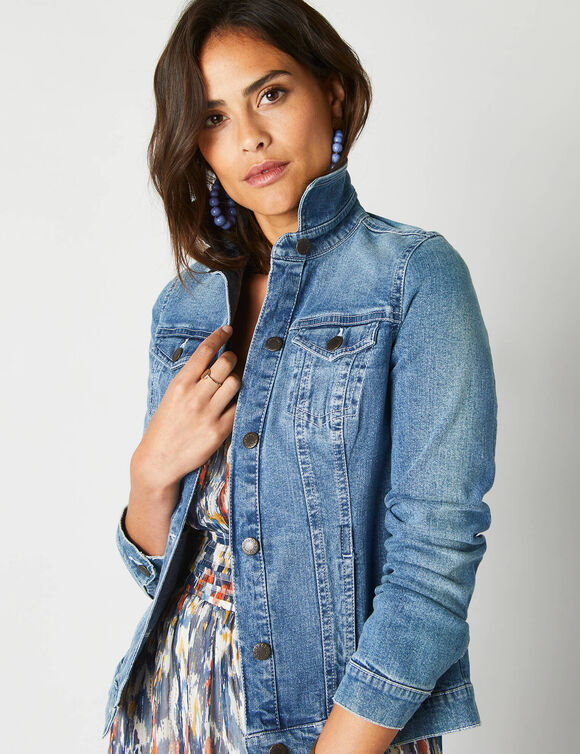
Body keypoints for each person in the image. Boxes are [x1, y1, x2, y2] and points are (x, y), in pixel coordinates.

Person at [103, 1, 498, 752]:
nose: (249, 136)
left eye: (272, 93)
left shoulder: (414, 277)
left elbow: (433, 566)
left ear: (334, 94)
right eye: (214, 117)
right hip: (171, 706)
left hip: (338, 724)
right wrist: (149, 473)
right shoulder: (185, 305)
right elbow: (162, 572)